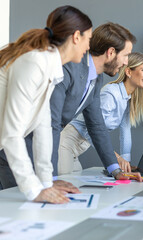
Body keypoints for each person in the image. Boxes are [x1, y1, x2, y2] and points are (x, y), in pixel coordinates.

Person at [0, 6, 92, 203]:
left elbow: (43, 128)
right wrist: (34, 190)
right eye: (88, 39)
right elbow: (12, 134)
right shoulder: (34, 62)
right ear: (76, 37)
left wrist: (46, 182)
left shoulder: (50, 67)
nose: (88, 47)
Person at [58, 52, 143, 175]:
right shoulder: (111, 93)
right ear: (128, 72)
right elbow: (94, 129)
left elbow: (125, 132)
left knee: (76, 187)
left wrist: (125, 164)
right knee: (65, 186)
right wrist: (115, 158)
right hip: (65, 144)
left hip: (77, 150)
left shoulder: (126, 99)